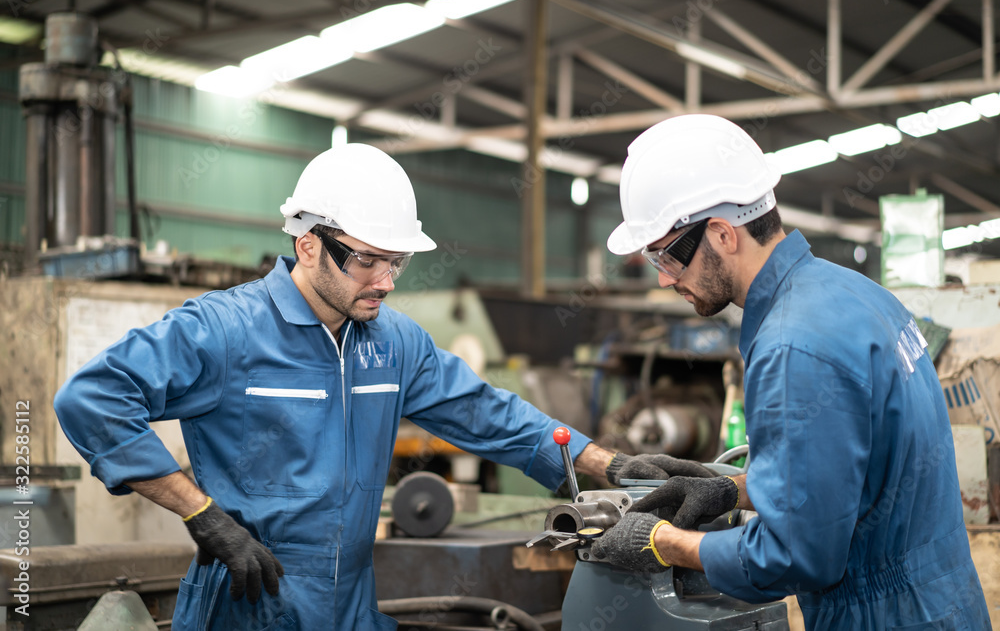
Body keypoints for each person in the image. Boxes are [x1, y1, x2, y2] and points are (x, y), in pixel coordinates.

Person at [54, 143, 697, 630]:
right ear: (309, 245)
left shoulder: (393, 342)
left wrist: (612, 466)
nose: (386, 282)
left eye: (396, 262)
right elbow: (91, 400)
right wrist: (200, 514)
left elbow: (486, 413)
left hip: (352, 600)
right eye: (367, 259)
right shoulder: (223, 331)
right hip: (248, 598)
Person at [590, 114, 990, 630]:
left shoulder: (792, 345)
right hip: (943, 601)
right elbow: (853, 478)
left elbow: (796, 555)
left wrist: (663, 543)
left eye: (667, 257)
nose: (666, 280)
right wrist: (732, 488)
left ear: (721, 234)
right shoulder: (858, 294)